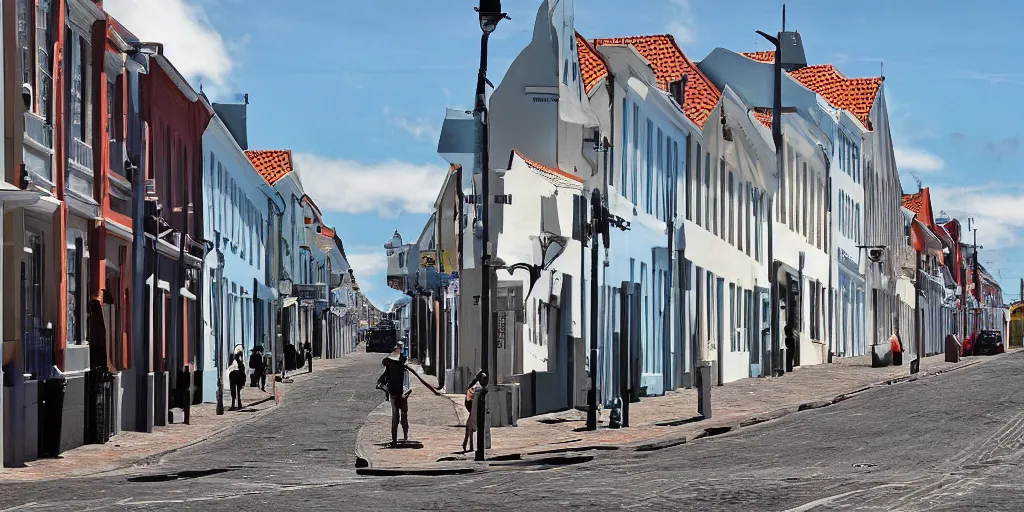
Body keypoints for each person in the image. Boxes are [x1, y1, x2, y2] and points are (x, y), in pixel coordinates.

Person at [378, 341, 411, 445]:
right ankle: (395, 439)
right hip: (393, 392)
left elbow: (407, 380)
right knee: (395, 416)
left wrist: (406, 391)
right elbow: (384, 375)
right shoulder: (389, 363)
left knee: (404, 416)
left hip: (402, 392)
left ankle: (405, 437)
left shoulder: (403, 362)